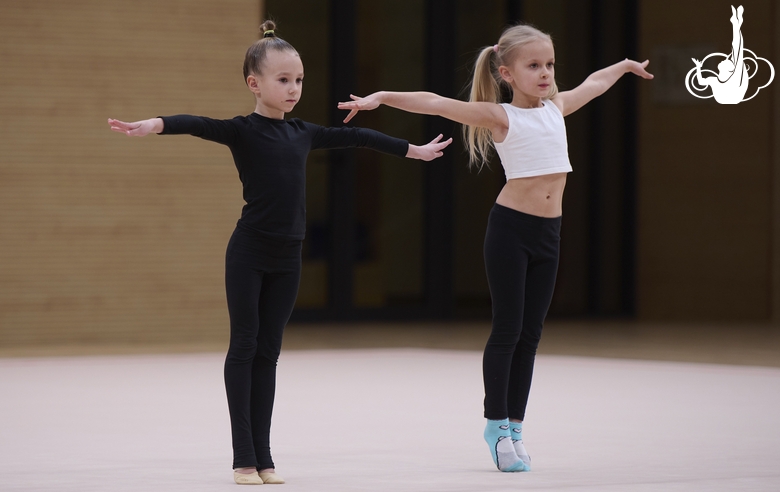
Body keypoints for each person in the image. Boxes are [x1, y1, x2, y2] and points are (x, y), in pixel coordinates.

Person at [108, 20, 452, 485]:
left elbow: (359, 137)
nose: (294, 89)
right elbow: (197, 124)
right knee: (244, 347)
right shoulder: (242, 131)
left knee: (268, 354)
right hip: (249, 253)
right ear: (255, 84)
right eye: (283, 80)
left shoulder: (303, 133)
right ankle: (242, 458)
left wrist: (411, 149)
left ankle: (265, 458)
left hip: (288, 257)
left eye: (299, 80)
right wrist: (155, 124)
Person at [338, 23, 653, 472]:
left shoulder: (556, 107)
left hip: (549, 234)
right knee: (507, 330)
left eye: (550, 64)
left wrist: (622, 66)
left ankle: (517, 426)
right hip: (510, 231)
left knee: (532, 335)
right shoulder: (502, 117)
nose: (545, 73)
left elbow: (595, 84)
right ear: (506, 73)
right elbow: (436, 103)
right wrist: (383, 97)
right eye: (534, 66)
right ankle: (496, 426)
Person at [692, 5, 747, 104]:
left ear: (730, 69)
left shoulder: (735, 78)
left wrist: (736, 26)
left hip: (733, 97)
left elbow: (737, 48)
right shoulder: (714, 80)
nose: (726, 59)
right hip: (726, 98)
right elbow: (700, 82)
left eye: (728, 61)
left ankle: (736, 23)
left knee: (737, 50)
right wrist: (698, 67)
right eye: (728, 60)